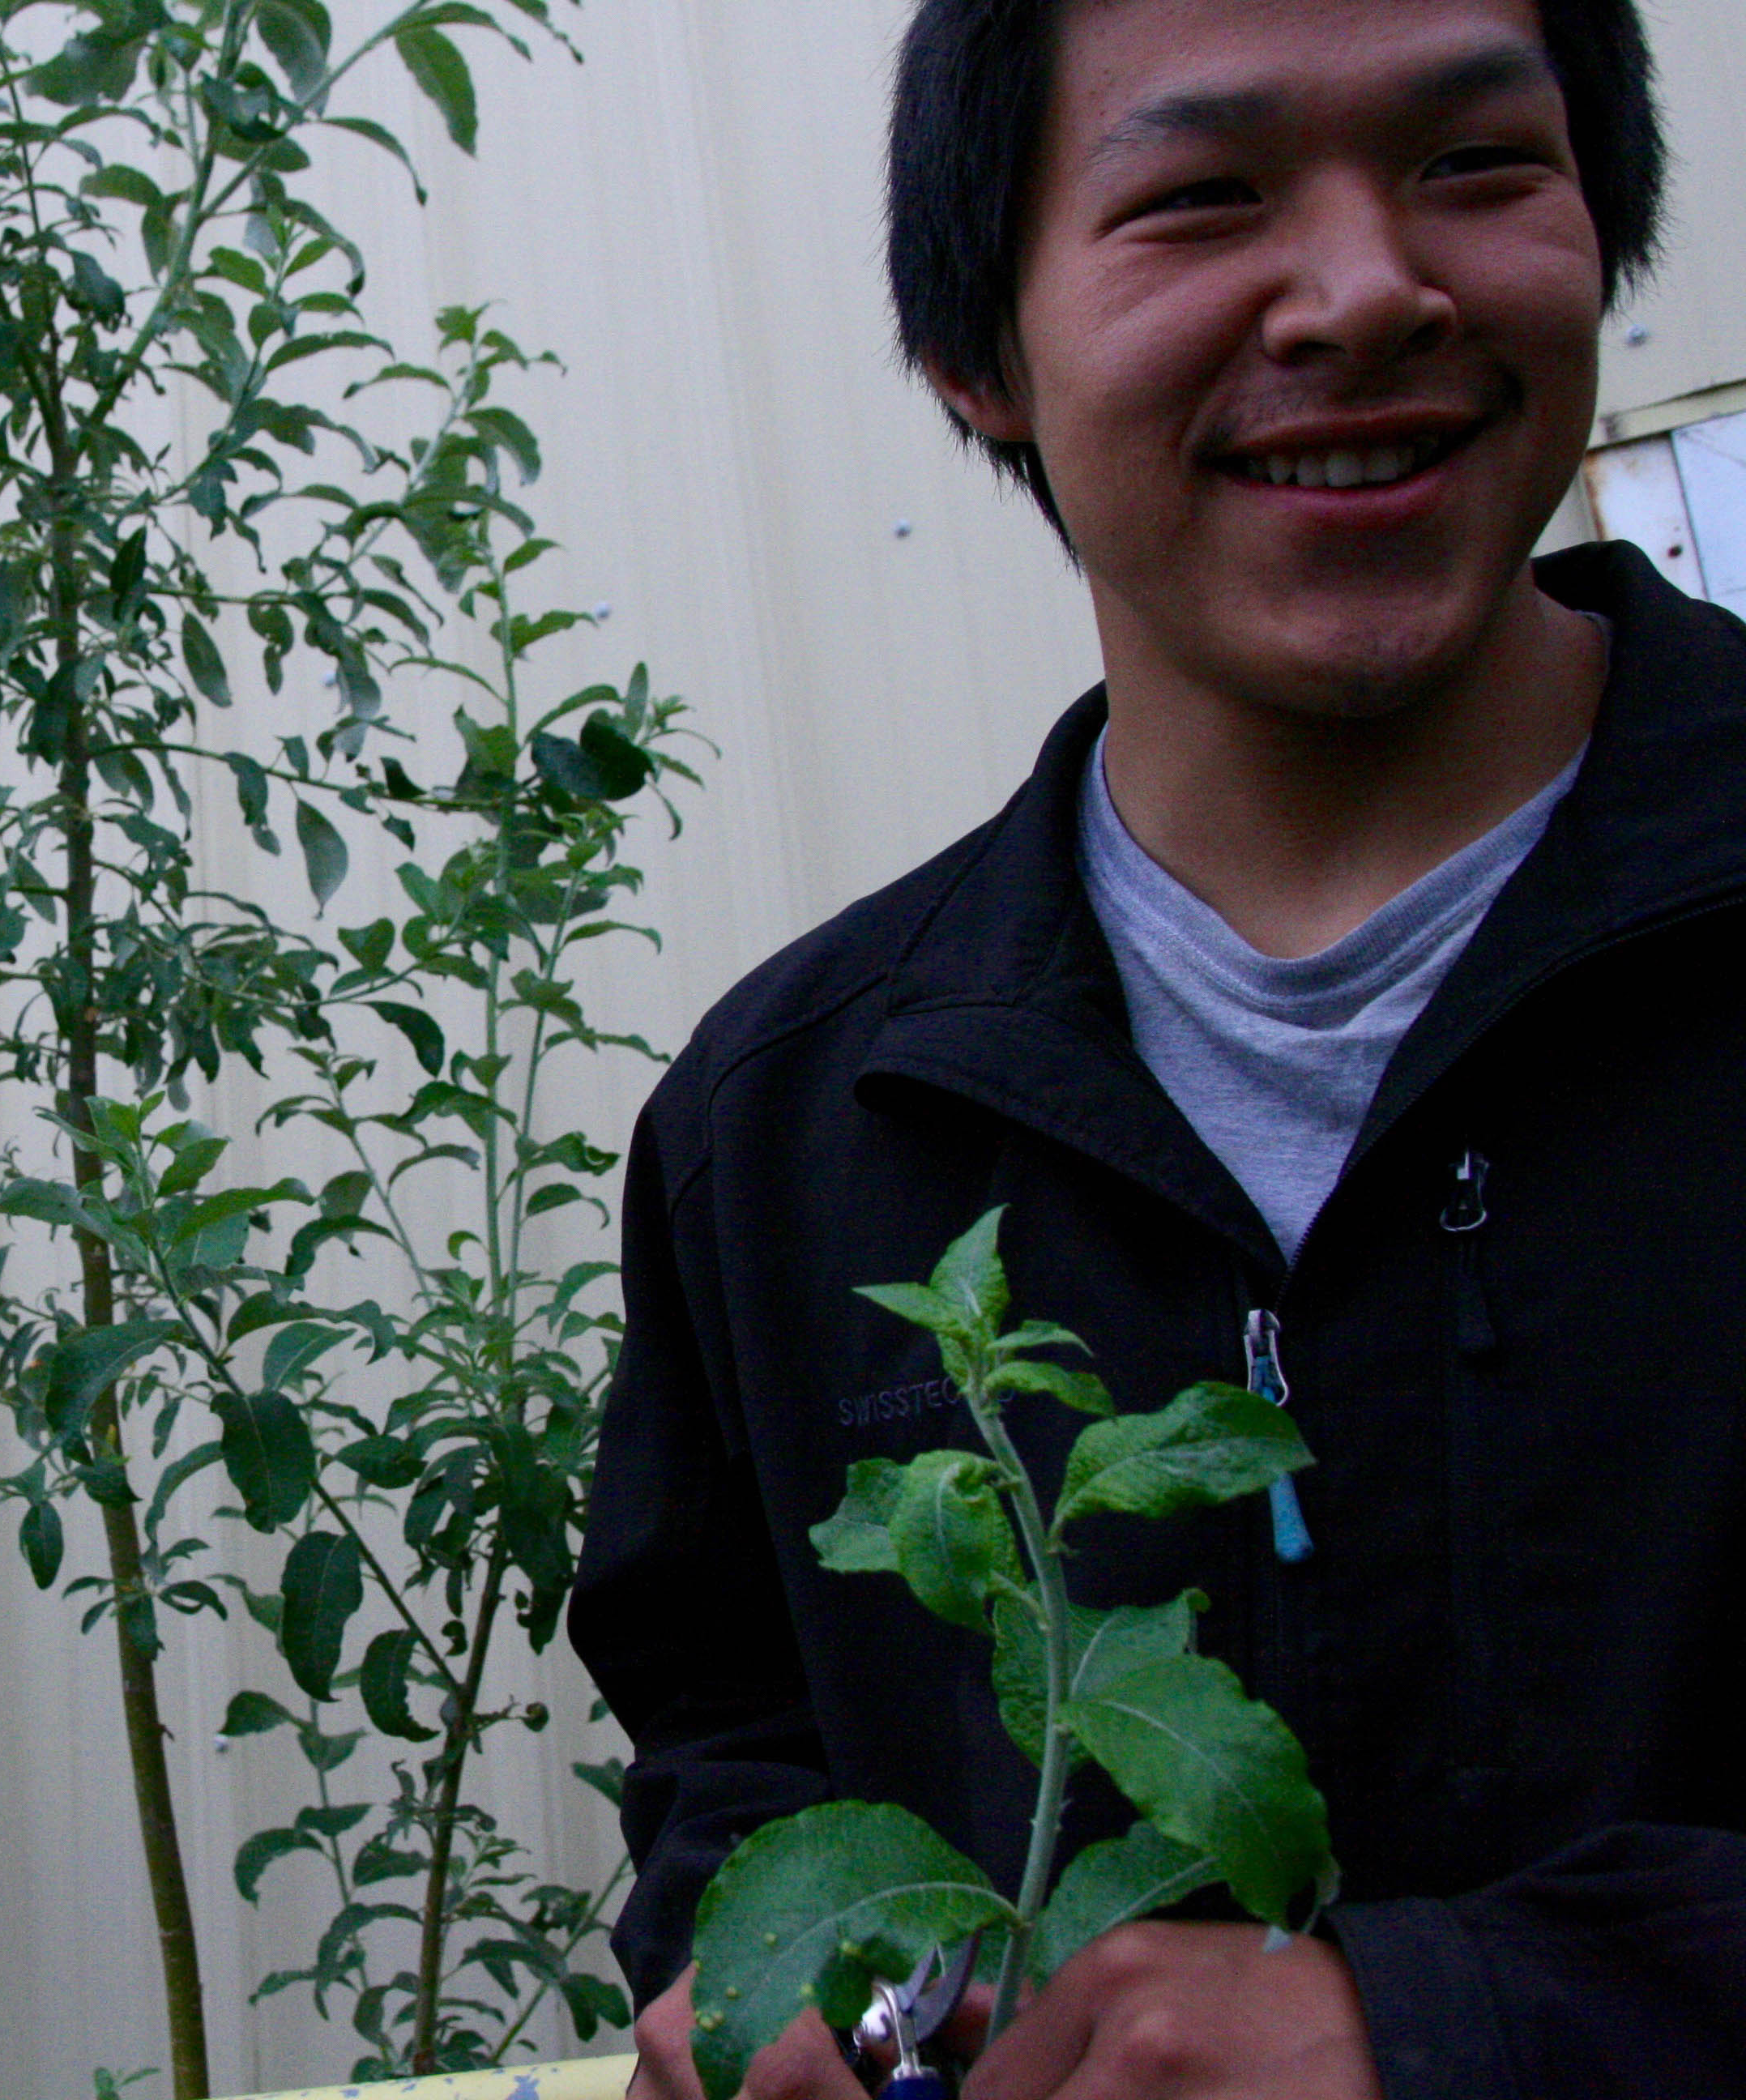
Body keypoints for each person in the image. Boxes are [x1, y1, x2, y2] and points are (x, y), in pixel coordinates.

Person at [568, 0, 1742, 2094]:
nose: (1370, 291)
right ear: (977, 354)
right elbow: (730, 1751)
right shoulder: (789, 1132)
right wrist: (791, 1986)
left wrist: (1449, 2029)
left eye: (1475, 164)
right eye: (1202, 198)